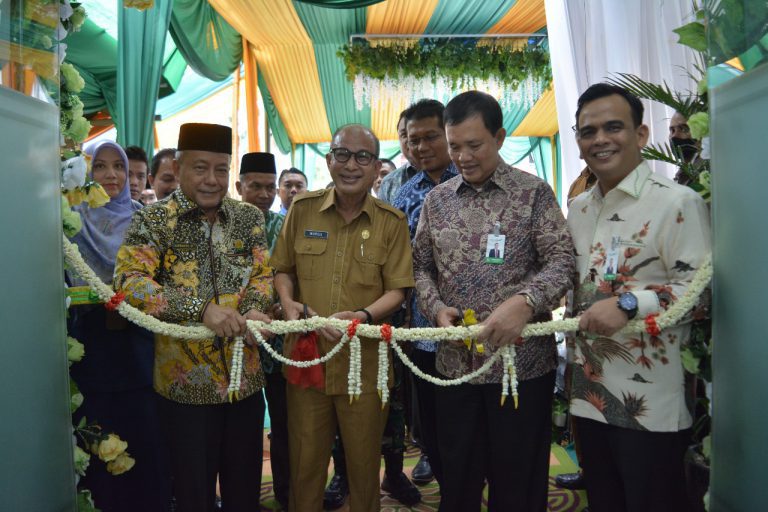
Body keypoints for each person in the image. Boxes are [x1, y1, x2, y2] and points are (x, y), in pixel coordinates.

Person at [412, 91, 575, 512]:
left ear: (499, 137)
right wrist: (435, 307)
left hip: (520, 369)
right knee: (458, 477)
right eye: (454, 146)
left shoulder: (533, 194)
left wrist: (525, 301)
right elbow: (419, 269)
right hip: (456, 368)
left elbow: (562, 262)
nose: (463, 156)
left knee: (518, 481)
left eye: (474, 145)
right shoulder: (437, 201)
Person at [114, 123, 274, 512]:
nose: (211, 180)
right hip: (184, 389)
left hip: (245, 379)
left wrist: (255, 306)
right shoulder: (154, 221)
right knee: (192, 494)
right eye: (200, 168)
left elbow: (263, 274)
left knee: (243, 490)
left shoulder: (249, 218)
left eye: (221, 169)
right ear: (179, 166)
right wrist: (201, 309)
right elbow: (128, 282)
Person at [567, 83, 711, 512]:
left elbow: (700, 294)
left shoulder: (676, 202)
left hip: (649, 405)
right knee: (605, 502)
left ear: (641, 134)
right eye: (588, 131)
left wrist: (631, 304)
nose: (600, 139)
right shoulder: (579, 209)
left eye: (614, 127)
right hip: (589, 394)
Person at [271, 124, 414, 512]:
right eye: (343, 155)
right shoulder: (301, 210)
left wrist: (364, 315)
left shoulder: (391, 221)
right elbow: (281, 269)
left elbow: (399, 290)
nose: (352, 165)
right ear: (329, 159)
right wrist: (288, 303)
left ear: (375, 167)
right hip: (307, 360)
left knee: (365, 467)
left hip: (363, 366)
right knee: (305, 465)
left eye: (363, 157)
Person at [68, 141, 170, 512]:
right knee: (96, 431)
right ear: (87, 173)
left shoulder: (145, 220)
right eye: (100, 167)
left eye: (118, 167)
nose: (111, 175)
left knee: (144, 433)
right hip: (89, 344)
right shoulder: (71, 222)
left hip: (139, 344)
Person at [235, 151, 290, 510]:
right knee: (244, 431)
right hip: (239, 342)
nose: (264, 193)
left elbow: (292, 270)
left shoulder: (284, 226)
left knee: (286, 426)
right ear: (238, 186)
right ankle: (245, 499)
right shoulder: (226, 223)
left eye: (270, 187)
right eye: (255, 186)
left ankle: (288, 496)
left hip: (283, 341)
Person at [377, 111, 419, 204]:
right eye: (404, 134)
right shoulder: (389, 183)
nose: (410, 139)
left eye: (415, 134)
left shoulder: (457, 173)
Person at [668, 111, 703, 186]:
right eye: (672, 130)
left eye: (684, 129)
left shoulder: (706, 171)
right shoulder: (682, 173)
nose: (674, 136)